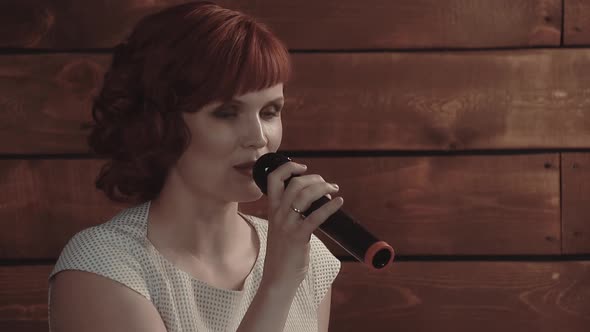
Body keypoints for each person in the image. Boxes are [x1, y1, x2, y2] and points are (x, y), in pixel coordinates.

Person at [47, 1, 343, 331]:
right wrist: (278, 285)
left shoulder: (308, 257)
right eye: (226, 113)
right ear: (160, 123)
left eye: (270, 112)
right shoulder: (101, 266)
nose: (258, 138)